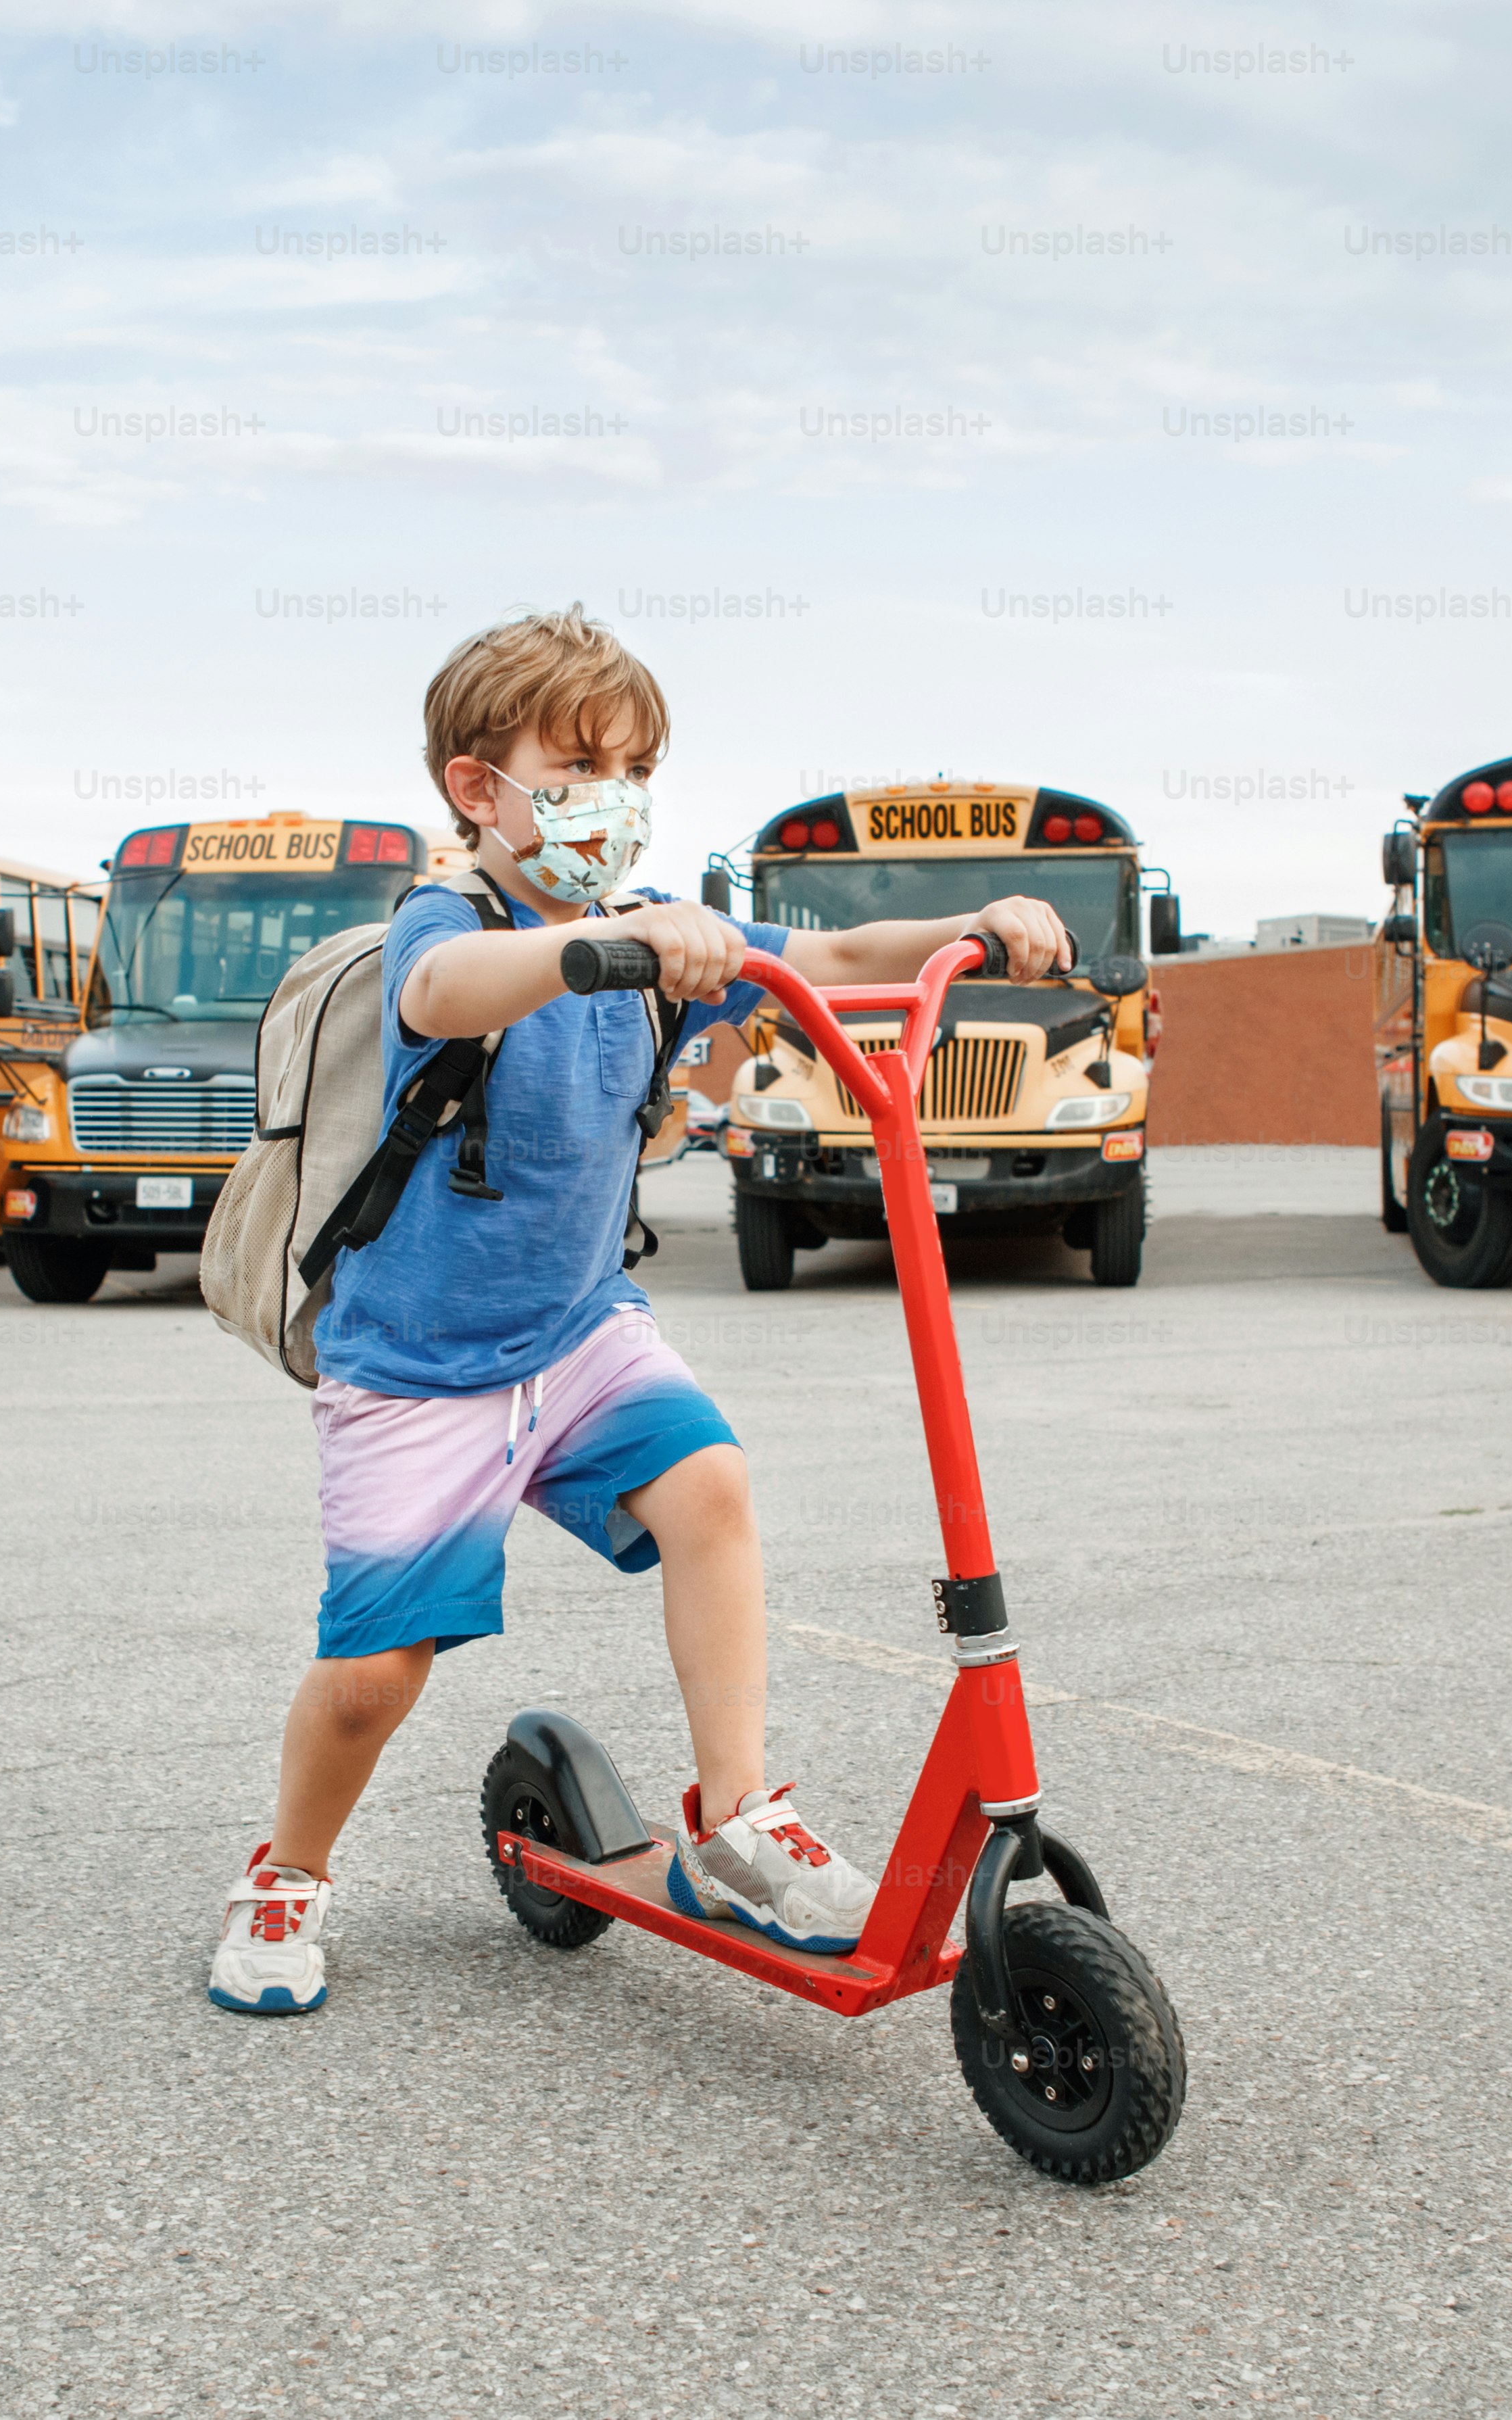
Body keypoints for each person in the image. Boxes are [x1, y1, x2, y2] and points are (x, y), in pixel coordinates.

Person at [209, 606, 1072, 2014]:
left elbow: (843, 955)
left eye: (632, 772)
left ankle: (736, 1817)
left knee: (711, 1485)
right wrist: (595, 947)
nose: (610, 803)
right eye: (575, 769)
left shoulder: (662, 929)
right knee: (375, 1674)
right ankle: (288, 1869)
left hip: (575, 1327)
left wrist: (970, 925)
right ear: (476, 790)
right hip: (421, 1366)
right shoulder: (461, 920)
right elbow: (440, 988)